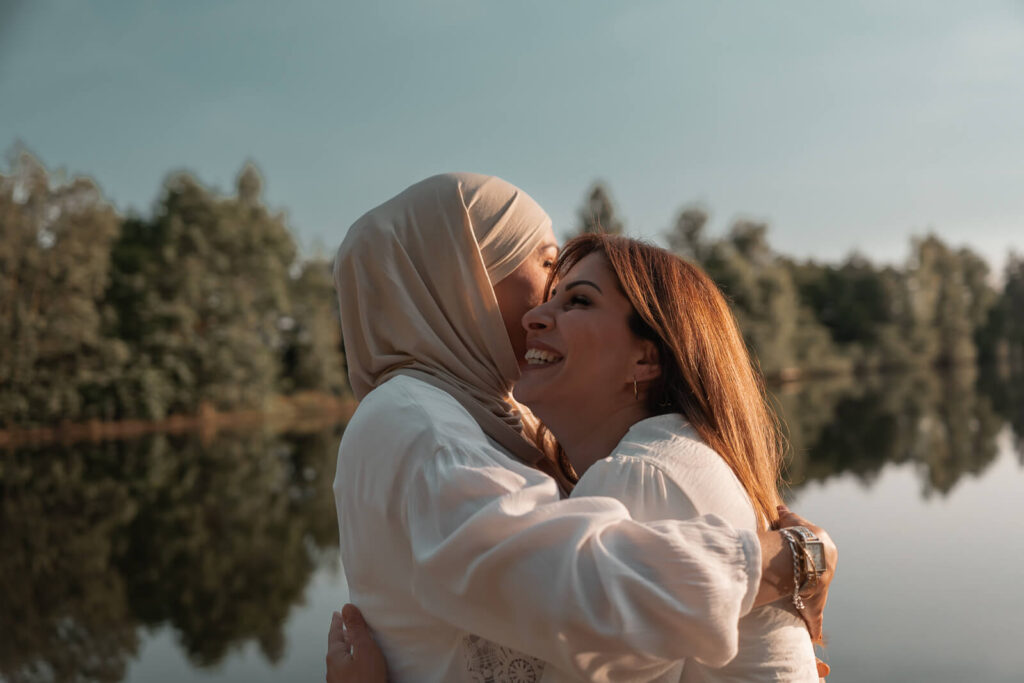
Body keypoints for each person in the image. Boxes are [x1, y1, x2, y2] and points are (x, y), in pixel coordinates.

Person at [329, 173, 835, 682]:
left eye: (575, 298)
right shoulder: (418, 421)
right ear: (467, 277)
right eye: (546, 263)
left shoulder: (492, 419)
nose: (544, 302)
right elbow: (586, 595)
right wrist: (787, 561)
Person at [511, 233, 823, 681]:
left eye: (578, 301)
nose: (534, 316)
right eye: (551, 298)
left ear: (645, 360)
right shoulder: (676, 451)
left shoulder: (640, 476)